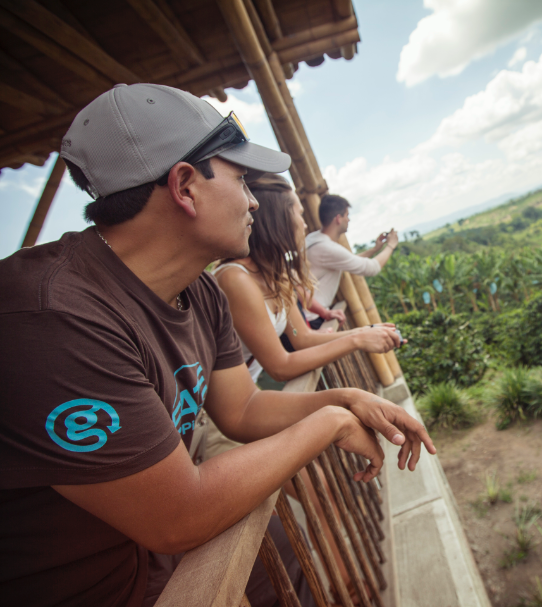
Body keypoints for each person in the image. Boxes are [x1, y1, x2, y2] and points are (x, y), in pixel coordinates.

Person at [0, 83, 435, 607]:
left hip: (155, 564)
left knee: (286, 558)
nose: (254, 200)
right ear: (185, 186)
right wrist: (331, 422)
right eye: (241, 178)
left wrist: (345, 399)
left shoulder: (198, 290)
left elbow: (241, 407)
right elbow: (177, 515)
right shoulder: (49, 317)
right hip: (84, 589)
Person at [212, 173, 401, 384]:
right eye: (299, 214)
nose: (304, 225)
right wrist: (357, 339)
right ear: (279, 220)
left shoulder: (277, 274)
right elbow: (280, 367)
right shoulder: (235, 279)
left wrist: (365, 331)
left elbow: (303, 338)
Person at [304, 194, 399, 329]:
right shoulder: (326, 248)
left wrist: (375, 249)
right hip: (312, 318)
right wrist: (391, 245)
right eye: (346, 215)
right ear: (338, 218)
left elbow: (347, 259)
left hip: (308, 314)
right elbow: (371, 268)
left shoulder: (313, 239)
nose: (349, 219)